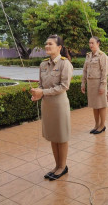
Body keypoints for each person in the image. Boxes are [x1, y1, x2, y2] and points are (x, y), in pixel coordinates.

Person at [30, 35, 73, 180]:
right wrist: (37, 94)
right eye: (46, 43)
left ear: (59, 47)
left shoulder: (64, 64)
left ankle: (62, 166)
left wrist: (43, 92)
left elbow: (64, 86)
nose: (47, 46)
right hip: (47, 105)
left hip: (59, 104)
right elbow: (41, 85)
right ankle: (57, 165)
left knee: (61, 136)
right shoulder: (43, 64)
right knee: (53, 136)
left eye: (50, 44)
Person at [81, 36, 108, 134]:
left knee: (101, 105)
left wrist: (102, 85)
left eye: (92, 43)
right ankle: (96, 124)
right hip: (91, 84)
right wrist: (83, 83)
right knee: (94, 105)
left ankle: (102, 125)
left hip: (99, 83)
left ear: (98, 43)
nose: (90, 45)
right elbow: (84, 70)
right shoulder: (88, 55)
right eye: (89, 43)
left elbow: (104, 72)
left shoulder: (102, 56)